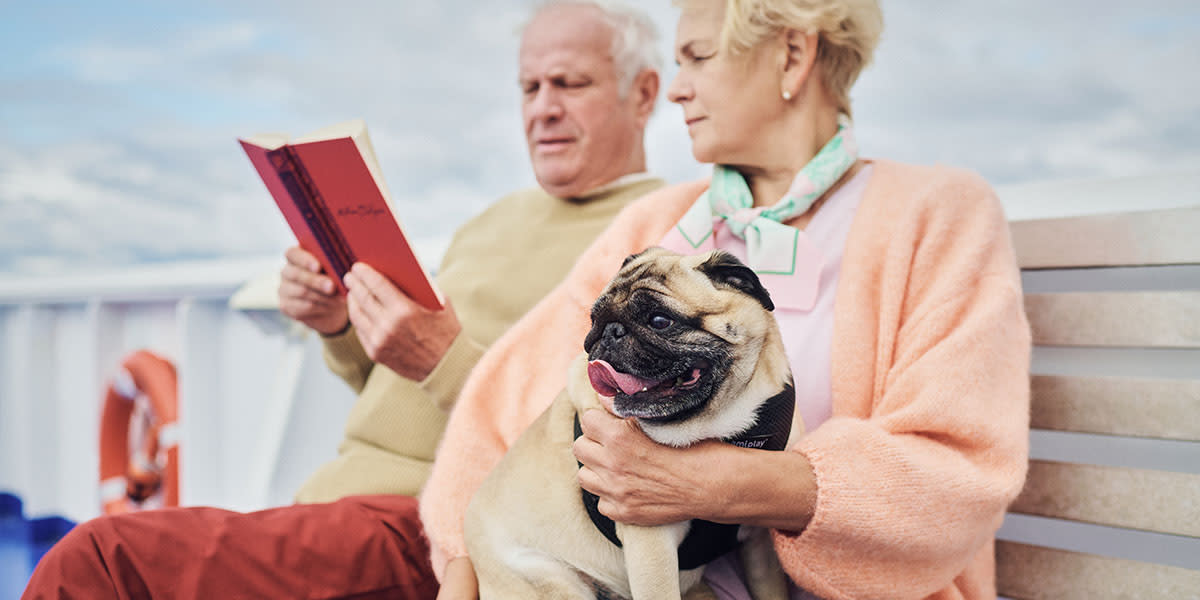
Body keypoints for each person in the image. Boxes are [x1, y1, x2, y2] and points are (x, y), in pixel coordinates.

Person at [23, 2, 664, 598]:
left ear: (644, 94)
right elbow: (396, 392)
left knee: (97, 561)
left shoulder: (655, 235)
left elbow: (594, 441)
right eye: (529, 88)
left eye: (569, 84)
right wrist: (340, 329)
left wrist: (442, 359)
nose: (542, 108)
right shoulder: (493, 220)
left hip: (429, 523)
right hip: (336, 504)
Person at [420, 0, 1032, 598]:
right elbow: (500, 415)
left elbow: (959, 473)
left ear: (792, 55)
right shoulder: (654, 225)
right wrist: (467, 568)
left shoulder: (937, 216)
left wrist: (721, 484)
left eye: (697, 57)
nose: (676, 90)